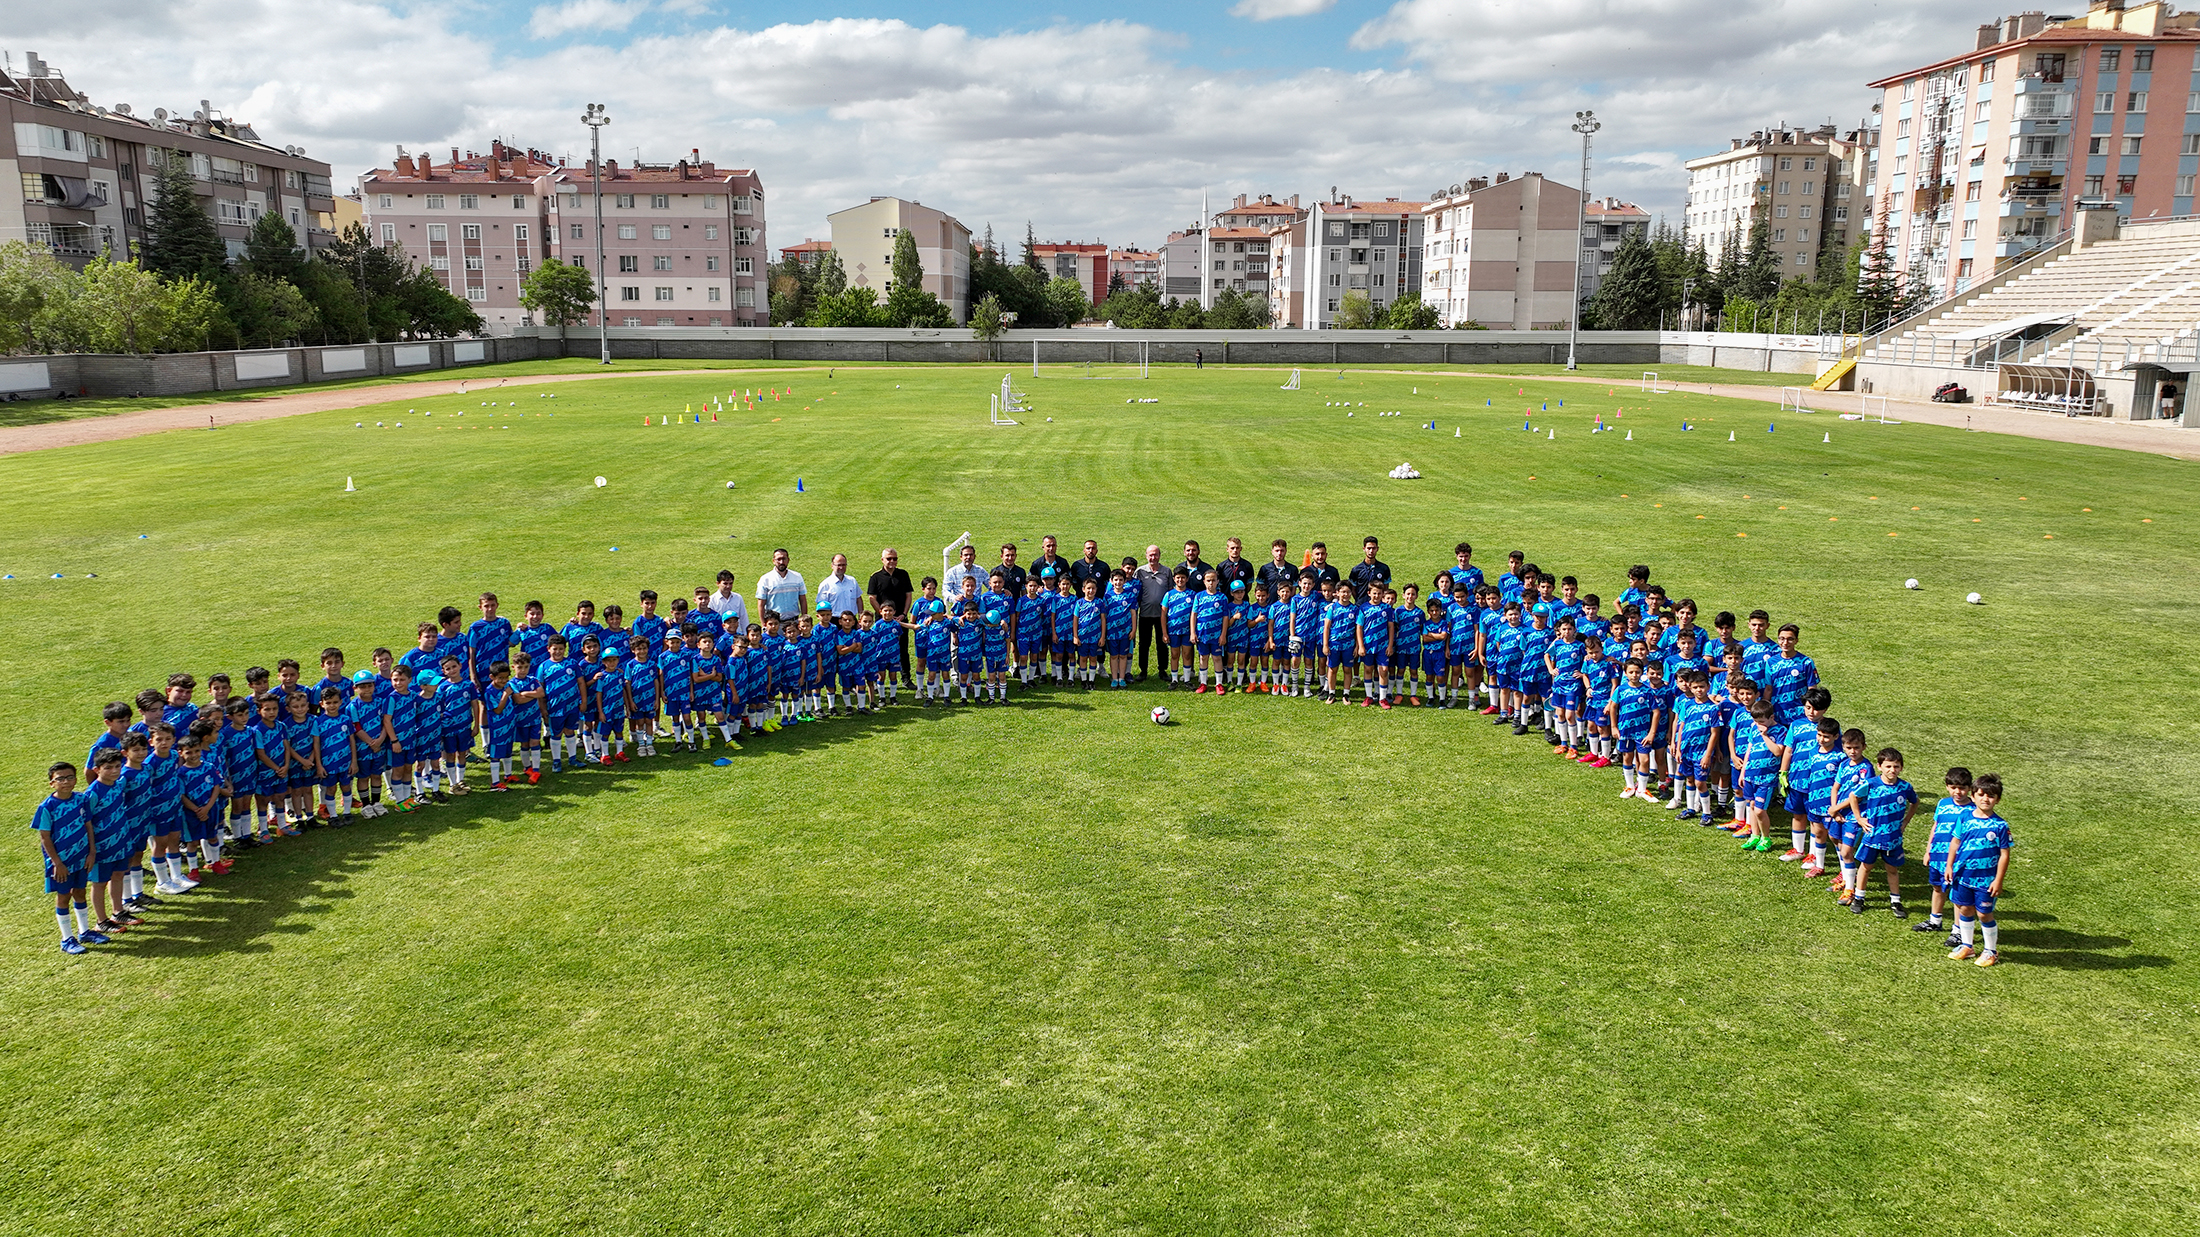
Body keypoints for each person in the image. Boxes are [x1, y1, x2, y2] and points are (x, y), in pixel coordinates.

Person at [1946, 773, 2013, 966]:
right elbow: (1955, 842)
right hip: (1963, 875)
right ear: (1973, 796)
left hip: (1985, 879)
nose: (1985, 799)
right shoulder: (1964, 817)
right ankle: (1967, 946)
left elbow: (2004, 854)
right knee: (1965, 909)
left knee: (1984, 913)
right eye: (1981, 794)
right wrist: (1949, 866)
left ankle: (1990, 951)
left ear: (1997, 800)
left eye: (1991, 796)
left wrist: (1998, 880)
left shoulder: (2000, 825)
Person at [35, 761, 102, 954]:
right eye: (60, 779)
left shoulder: (81, 800)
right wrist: (57, 863)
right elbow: (44, 838)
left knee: (80, 893)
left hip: (81, 858)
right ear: (52, 783)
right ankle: (66, 938)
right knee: (64, 896)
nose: (66, 782)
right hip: (61, 863)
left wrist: (91, 852)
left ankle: (84, 931)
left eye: (70, 777)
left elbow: (88, 826)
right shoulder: (47, 807)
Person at [1844, 746, 1918, 917]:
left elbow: (1915, 802)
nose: (1892, 770)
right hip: (1872, 836)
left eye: (1896, 767)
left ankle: (1896, 901)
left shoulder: (1905, 787)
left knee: (1892, 869)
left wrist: (1906, 820)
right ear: (1879, 767)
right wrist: (1859, 818)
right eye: (1888, 766)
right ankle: (1859, 897)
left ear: (1901, 768)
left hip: (1893, 838)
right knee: (1866, 867)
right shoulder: (1871, 784)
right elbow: (1853, 797)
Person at [1919, 767, 1974, 942]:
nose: (1958, 792)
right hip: (1937, 855)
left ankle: (1958, 931)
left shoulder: (1973, 809)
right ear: (1947, 787)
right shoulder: (1942, 804)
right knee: (1937, 887)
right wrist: (1928, 850)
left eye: (1962, 788)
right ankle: (1935, 920)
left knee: (1956, 894)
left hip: (1957, 860)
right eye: (1953, 787)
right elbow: (1935, 827)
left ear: (1969, 788)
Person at [865, 549, 915, 687]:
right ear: (882, 560)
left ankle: (906, 678)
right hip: (882, 621)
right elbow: (872, 598)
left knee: (902, 648)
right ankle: (875, 680)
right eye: (889, 558)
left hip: (900, 619)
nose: (892, 561)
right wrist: (883, 614)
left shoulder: (903, 574)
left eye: (894, 558)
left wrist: (903, 614)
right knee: (879, 649)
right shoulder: (875, 577)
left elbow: (908, 595)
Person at [1192, 570, 1232, 693]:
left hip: (1217, 635)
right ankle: (1203, 683)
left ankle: (1219, 683)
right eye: (1208, 580)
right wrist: (1193, 632)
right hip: (1202, 634)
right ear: (1204, 582)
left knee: (1217, 658)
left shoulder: (1222, 597)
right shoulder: (1199, 596)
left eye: (1213, 580)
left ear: (1217, 582)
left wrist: (1223, 634)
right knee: (1203, 658)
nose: (1211, 583)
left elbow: (1226, 617)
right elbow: (1194, 615)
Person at [1135, 546, 1170, 680]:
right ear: (1146, 556)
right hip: (1145, 613)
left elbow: (1170, 590)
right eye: (1150, 555)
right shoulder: (1140, 572)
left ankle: (1163, 670)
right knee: (1144, 643)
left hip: (1161, 615)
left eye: (1155, 555)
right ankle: (1143, 670)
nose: (1153, 558)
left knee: (1162, 643)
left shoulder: (1166, 572)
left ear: (1160, 555)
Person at [756, 548, 807, 622]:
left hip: (794, 622)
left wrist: (804, 620)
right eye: (778, 559)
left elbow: (802, 599)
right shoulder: (765, 579)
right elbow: (761, 604)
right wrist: (763, 624)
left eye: (784, 559)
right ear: (773, 561)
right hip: (774, 624)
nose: (781, 562)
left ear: (788, 560)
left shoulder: (797, 577)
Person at [816, 553, 864, 619]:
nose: (841, 567)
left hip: (851, 620)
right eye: (839, 565)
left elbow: (858, 599)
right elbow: (822, 607)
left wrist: (860, 617)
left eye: (843, 565)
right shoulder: (826, 584)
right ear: (832, 566)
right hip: (834, 620)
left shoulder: (852, 581)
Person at [1348, 535, 1390, 602]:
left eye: (1373, 548)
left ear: (1377, 549)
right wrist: (1359, 600)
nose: (1371, 551)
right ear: (1364, 549)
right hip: (1361, 606)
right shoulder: (1356, 570)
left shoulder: (1384, 568)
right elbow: (1353, 589)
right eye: (1369, 548)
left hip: (1378, 606)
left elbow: (1385, 588)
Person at [707, 569, 750, 635]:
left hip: (737, 636)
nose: (728, 586)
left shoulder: (738, 598)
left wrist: (746, 634)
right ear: (718, 583)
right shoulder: (712, 600)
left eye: (730, 583)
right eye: (725, 583)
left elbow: (743, 618)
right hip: (720, 636)